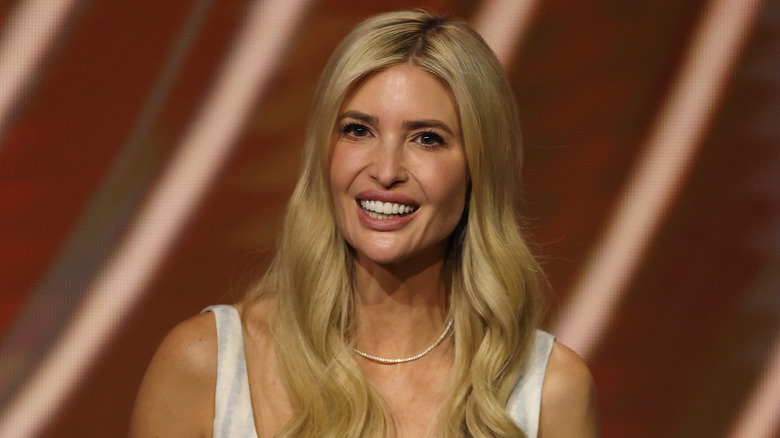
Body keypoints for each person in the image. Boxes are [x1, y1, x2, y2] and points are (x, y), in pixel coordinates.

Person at [129, 9, 599, 438]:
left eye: (427, 139)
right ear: (324, 153)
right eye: (358, 130)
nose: (386, 169)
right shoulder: (207, 366)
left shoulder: (550, 390)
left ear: (480, 168)